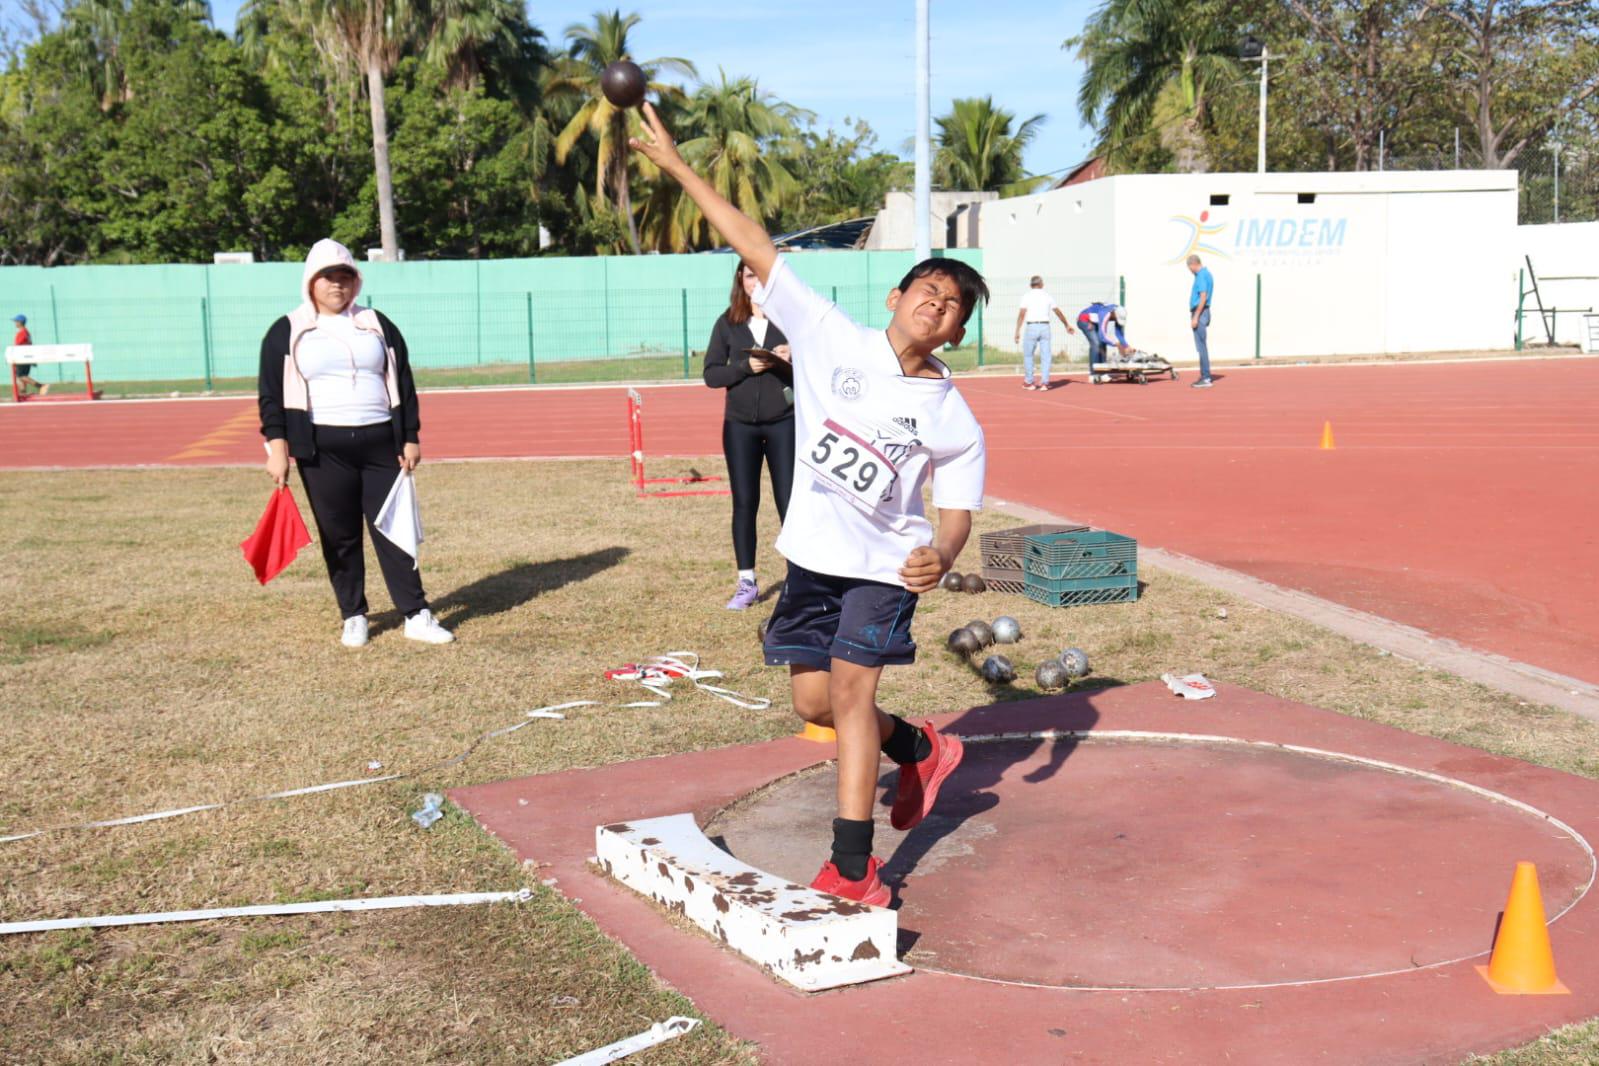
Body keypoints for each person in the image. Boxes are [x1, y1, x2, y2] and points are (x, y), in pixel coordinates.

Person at [631, 103, 982, 905]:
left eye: (952, 305)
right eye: (926, 291)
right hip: (812, 560)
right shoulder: (830, 338)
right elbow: (754, 244)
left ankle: (855, 868)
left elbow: (955, 507)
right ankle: (920, 749)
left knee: (852, 696)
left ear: (957, 332)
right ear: (895, 295)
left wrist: (945, 554)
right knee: (813, 700)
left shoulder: (952, 416)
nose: (935, 305)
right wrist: (680, 167)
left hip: (883, 570)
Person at [257, 238, 454, 648]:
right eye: (327, 277)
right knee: (339, 535)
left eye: (345, 276)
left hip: (381, 443)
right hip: (321, 449)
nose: (337, 285)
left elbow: (404, 381)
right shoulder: (287, 330)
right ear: (311, 282)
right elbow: (271, 395)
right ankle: (354, 615)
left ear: (356, 281)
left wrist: (411, 436)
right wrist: (278, 447)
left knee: (394, 531)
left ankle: (416, 613)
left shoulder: (377, 324)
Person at [704, 258, 796, 610]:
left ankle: (797, 579)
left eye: (760, 275)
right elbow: (712, 375)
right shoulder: (728, 324)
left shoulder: (789, 321)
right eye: (748, 275)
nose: (754, 281)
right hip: (739, 426)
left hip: (783, 422)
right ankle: (747, 582)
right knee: (745, 502)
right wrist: (745, 366)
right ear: (740, 281)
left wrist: (793, 356)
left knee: (788, 502)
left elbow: (816, 365)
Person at [1012, 275, 1075, 390]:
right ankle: (1045, 383)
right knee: (1046, 356)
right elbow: (1058, 312)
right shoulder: (1047, 296)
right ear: (1041, 284)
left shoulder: (1026, 296)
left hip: (1031, 326)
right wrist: (1066, 325)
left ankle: (1029, 382)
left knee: (1028, 355)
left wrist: (1017, 331)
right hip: (1045, 326)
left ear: (1031, 285)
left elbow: (1022, 314)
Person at [1187, 254, 1214, 388]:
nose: (1190, 270)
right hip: (1203, 312)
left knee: (1201, 346)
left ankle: (1206, 377)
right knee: (1201, 345)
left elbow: (1203, 297)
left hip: (1200, 312)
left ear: (1193, 265)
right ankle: (1205, 375)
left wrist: (1196, 316)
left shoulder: (1202, 275)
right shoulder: (1206, 274)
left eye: (1189, 268)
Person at [1076, 301, 1130, 368]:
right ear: (1114, 313)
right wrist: (1117, 344)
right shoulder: (1105, 313)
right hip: (1084, 319)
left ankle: (1102, 370)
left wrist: (1126, 346)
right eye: (1116, 318)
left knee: (1103, 343)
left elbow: (1118, 334)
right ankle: (1094, 373)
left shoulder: (1118, 311)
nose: (1116, 320)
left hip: (1094, 321)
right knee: (1096, 343)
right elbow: (1102, 336)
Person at [10, 314, 46, 397]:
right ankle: (23, 393)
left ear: (20, 322)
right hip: (27, 356)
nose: (15, 323)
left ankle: (41, 386)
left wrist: (14, 357)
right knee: (20, 377)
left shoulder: (22, 333)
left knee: (21, 376)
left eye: (16, 321)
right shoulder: (26, 332)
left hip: (22, 356)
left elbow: (18, 346)